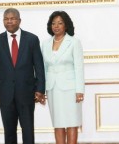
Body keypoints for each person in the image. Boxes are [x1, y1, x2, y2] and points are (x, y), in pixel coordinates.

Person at [0, 8, 45, 144]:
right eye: (6, 19)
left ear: (19, 20)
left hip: (26, 93)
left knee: (28, 131)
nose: (9, 21)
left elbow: (39, 66)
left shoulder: (32, 39)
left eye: (12, 18)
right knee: (9, 132)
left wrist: (40, 89)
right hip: (5, 94)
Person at [41, 11, 85, 144]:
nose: (56, 26)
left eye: (60, 23)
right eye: (53, 23)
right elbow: (43, 68)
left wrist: (79, 90)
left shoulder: (74, 42)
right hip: (52, 88)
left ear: (66, 26)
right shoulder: (45, 43)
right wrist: (41, 90)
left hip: (70, 89)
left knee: (72, 122)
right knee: (58, 122)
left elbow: (79, 67)